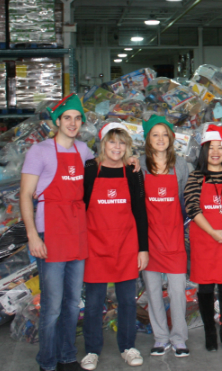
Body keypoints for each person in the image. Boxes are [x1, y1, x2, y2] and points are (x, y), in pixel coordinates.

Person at [20, 94, 92, 371]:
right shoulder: (39, 151)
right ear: (57, 121)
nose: (73, 123)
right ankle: (47, 361)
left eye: (77, 118)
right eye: (67, 118)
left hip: (76, 232)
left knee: (73, 303)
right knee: (52, 306)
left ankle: (67, 355)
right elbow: (25, 195)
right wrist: (32, 236)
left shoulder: (84, 151)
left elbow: (106, 170)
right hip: (49, 232)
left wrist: (131, 161)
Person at [81, 122, 149, 370]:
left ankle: (128, 347)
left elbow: (140, 211)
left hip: (125, 246)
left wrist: (143, 248)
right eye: (112, 141)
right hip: (95, 246)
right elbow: (80, 206)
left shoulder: (132, 171)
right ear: (103, 143)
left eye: (122, 142)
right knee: (93, 302)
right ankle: (91, 350)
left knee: (127, 301)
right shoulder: (90, 169)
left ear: (128, 146)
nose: (117, 147)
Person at [184, 125, 222, 352]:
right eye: (211, 147)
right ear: (203, 150)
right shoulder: (195, 177)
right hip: (204, 240)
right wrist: (213, 233)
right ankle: (210, 331)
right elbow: (191, 207)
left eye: (220, 147)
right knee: (206, 288)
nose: (216, 152)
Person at [140, 115, 190, 358]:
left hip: (174, 239)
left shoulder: (180, 165)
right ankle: (161, 337)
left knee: (177, 291)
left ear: (171, 138)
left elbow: (186, 201)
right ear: (148, 139)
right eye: (155, 134)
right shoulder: (138, 165)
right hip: (148, 242)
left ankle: (179, 338)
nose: (160, 139)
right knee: (153, 291)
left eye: (164, 134)